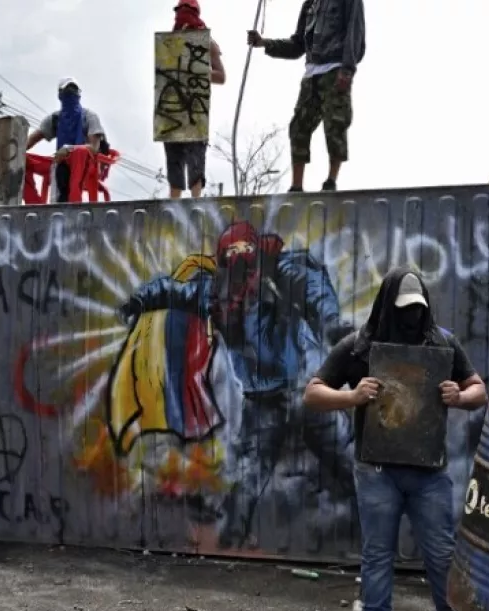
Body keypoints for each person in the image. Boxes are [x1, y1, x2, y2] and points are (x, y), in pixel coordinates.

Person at [116, 221, 358, 550]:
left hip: (306, 391)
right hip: (262, 401)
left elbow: (312, 286)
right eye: (234, 269)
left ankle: (369, 528)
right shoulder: (212, 292)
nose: (244, 279)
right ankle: (233, 543)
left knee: (346, 461)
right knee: (247, 478)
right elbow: (172, 289)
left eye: (249, 268)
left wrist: (332, 323)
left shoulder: (281, 271)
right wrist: (138, 301)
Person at [303, 268, 488, 611]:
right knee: (377, 559)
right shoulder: (360, 346)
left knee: (442, 560)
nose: (412, 316)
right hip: (378, 472)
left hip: (429, 474)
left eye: (418, 309)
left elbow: (479, 390)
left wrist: (460, 396)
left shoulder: (443, 343)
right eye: (404, 309)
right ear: (387, 304)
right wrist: (352, 396)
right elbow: (312, 393)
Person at [247, 0, 365, 193]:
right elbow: (297, 45)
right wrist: (264, 43)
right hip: (311, 74)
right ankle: (296, 186)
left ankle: (330, 181)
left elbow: (355, 34)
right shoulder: (310, 4)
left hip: (335, 69)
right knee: (298, 127)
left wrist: (347, 69)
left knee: (335, 125)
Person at [166, 0, 226, 199]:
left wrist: (196, 70)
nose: (183, 16)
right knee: (174, 165)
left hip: (195, 111)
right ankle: (173, 205)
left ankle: (196, 202)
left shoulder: (207, 43)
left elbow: (221, 76)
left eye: (187, 11)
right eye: (180, 12)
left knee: (195, 163)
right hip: (172, 112)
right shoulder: (168, 43)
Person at [26, 78, 107, 204]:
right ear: (60, 95)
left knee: (77, 155)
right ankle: (35, 203)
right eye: (67, 90)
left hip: (86, 164)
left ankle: (71, 204)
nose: (71, 93)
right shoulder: (55, 119)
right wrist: (12, 153)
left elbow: (94, 148)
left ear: (79, 94)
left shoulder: (89, 117)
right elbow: (31, 140)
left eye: (74, 90)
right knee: (22, 160)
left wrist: (70, 149)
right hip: (61, 162)